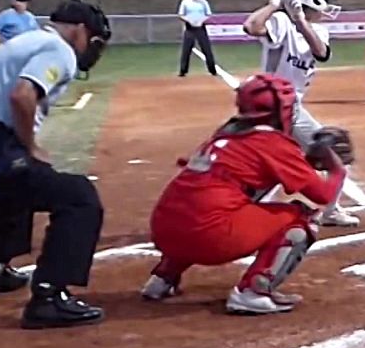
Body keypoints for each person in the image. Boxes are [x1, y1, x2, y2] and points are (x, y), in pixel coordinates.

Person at [0, 0, 112, 329]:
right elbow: (22, 94)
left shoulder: (27, 39)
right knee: (79, 198)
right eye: (93, 39)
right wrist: (30, 144)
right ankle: (49, 297)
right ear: (78, 31)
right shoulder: (57, 48)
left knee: (22, 184)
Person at [144, 74, 347, 315]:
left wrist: (303, 162)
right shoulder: (273, 142)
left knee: (207, 204)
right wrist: (337, 170)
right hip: (208, 238)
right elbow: (322, 195)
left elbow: (253, 169)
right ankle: (253, 292)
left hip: (164, 230)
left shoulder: (224, 135)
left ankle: (162, 279)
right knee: (301, 218)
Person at [241, 0, 358, 227]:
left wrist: (300, 19)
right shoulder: (280, 22)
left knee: (277, 164)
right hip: (274, 105)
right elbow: (251, 27)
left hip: (291, 106)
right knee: (330, 153)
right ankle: (330, 211)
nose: (327, 6)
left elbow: (321, 52)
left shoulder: (317, 30)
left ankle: (245, 207)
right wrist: (275, 4)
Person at [176, 0, 219, 76]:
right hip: (189, 28)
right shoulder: (185, 2)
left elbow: (208, 14)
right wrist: (189, 21)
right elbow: (180, 15)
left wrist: (201, 21)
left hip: (201, 27)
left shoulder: (203, 2)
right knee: (186, 50)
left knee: (206, 49)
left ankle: (212, 69)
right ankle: (183, 70)